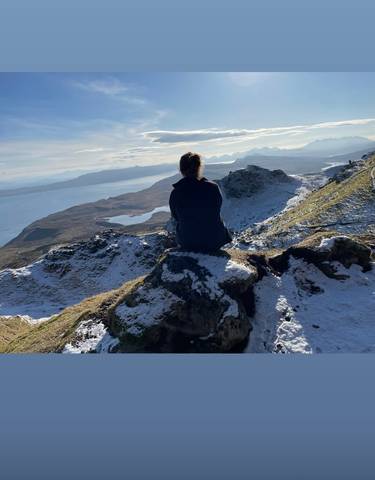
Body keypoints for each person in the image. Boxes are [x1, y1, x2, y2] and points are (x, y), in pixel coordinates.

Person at [169, 152, 232, 252]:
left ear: (181, 170)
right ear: (199, 167)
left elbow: (176, 216)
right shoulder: (213, 187)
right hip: (215, 240)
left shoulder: (175, 193)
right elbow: (217, 209)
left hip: (187, 242)